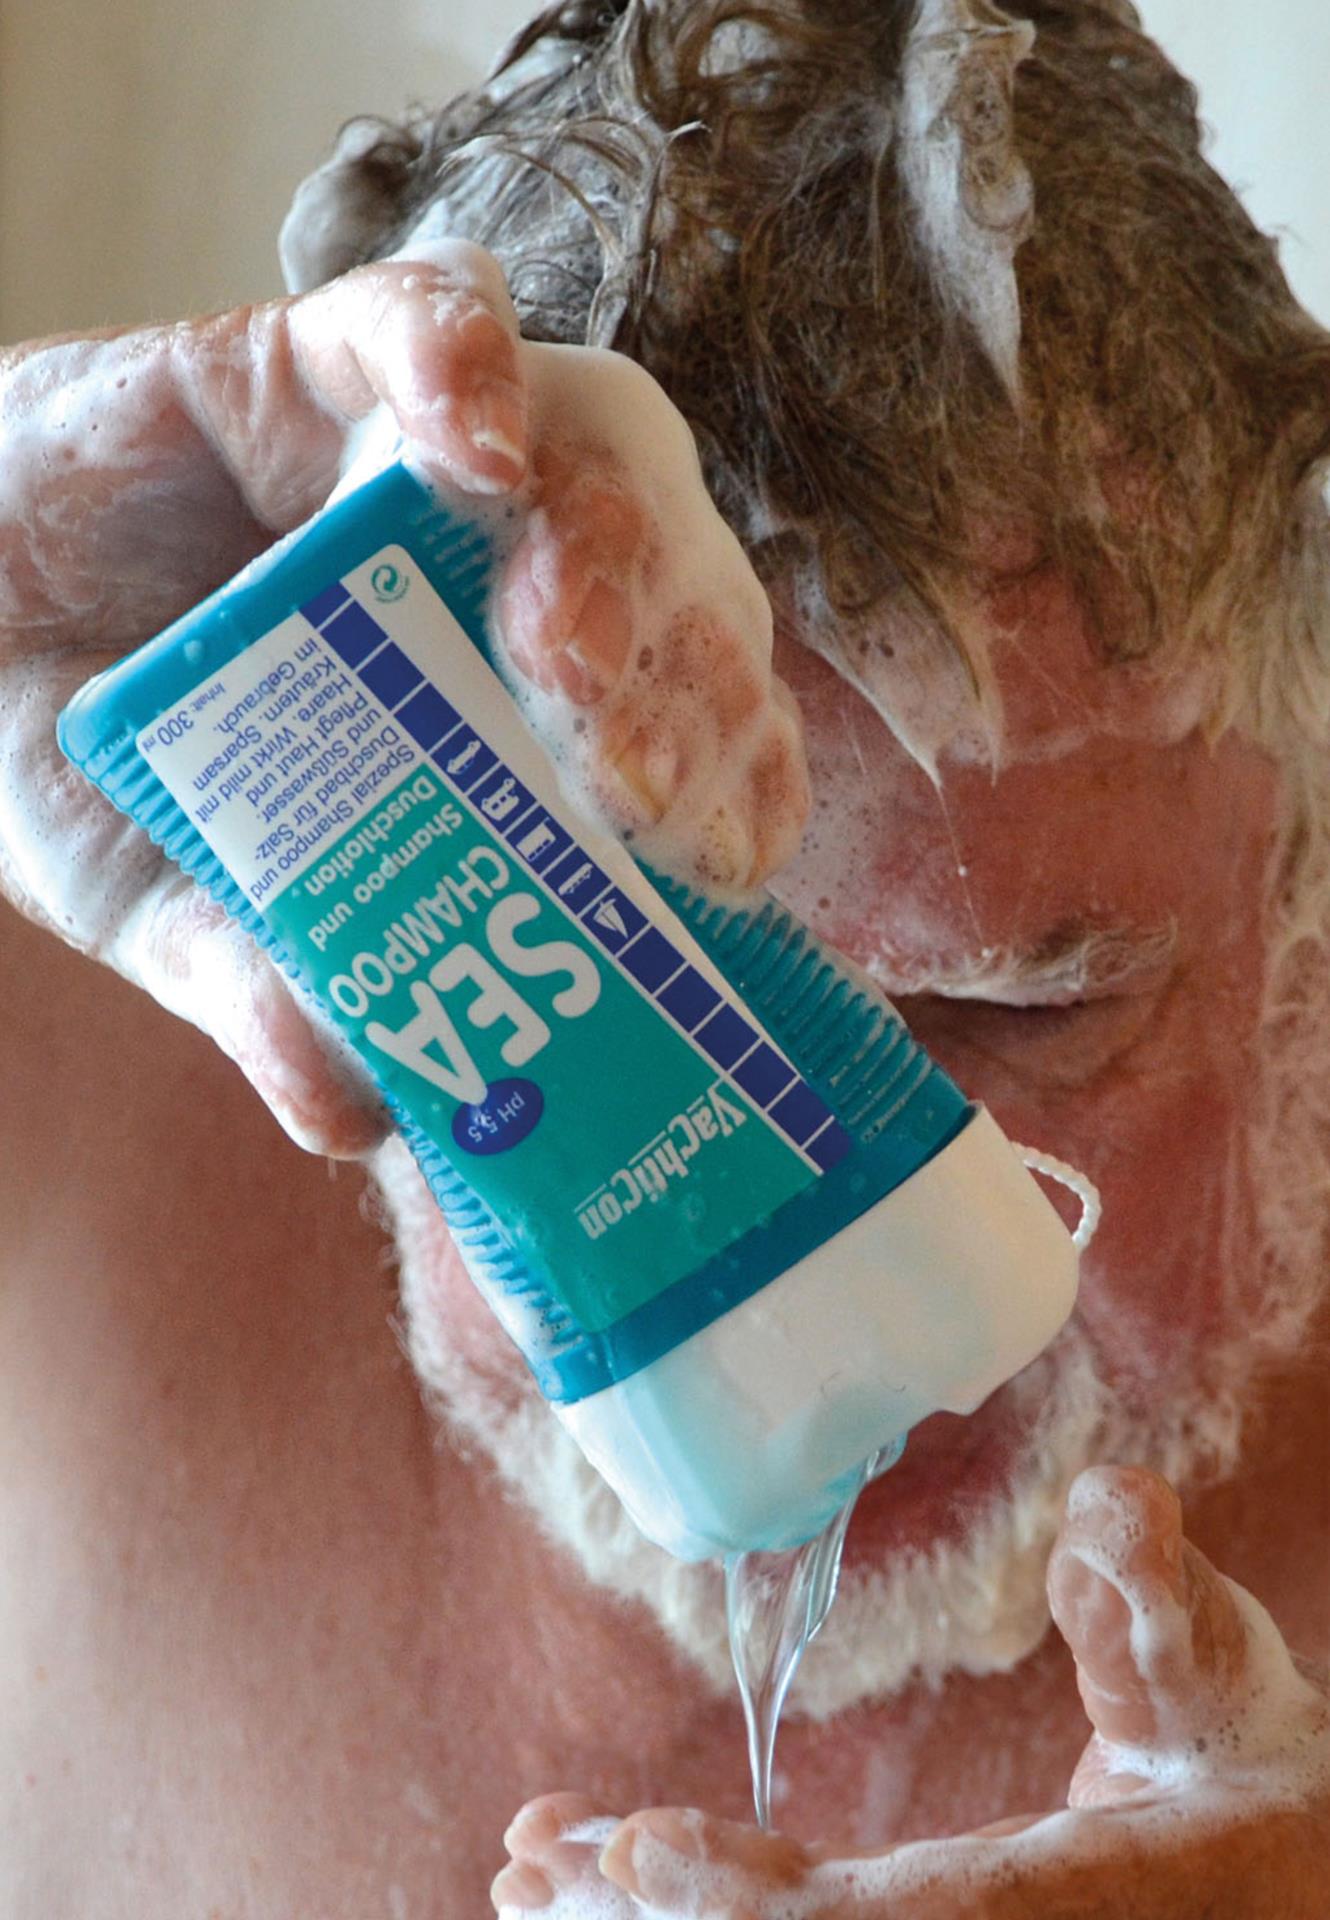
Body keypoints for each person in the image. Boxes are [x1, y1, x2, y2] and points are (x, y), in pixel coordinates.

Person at [1, 1, 1327, 1914]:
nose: (797, 1219)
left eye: (1019, 1009)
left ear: (1296, 908)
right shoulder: (62, 1117)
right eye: (607, 998)